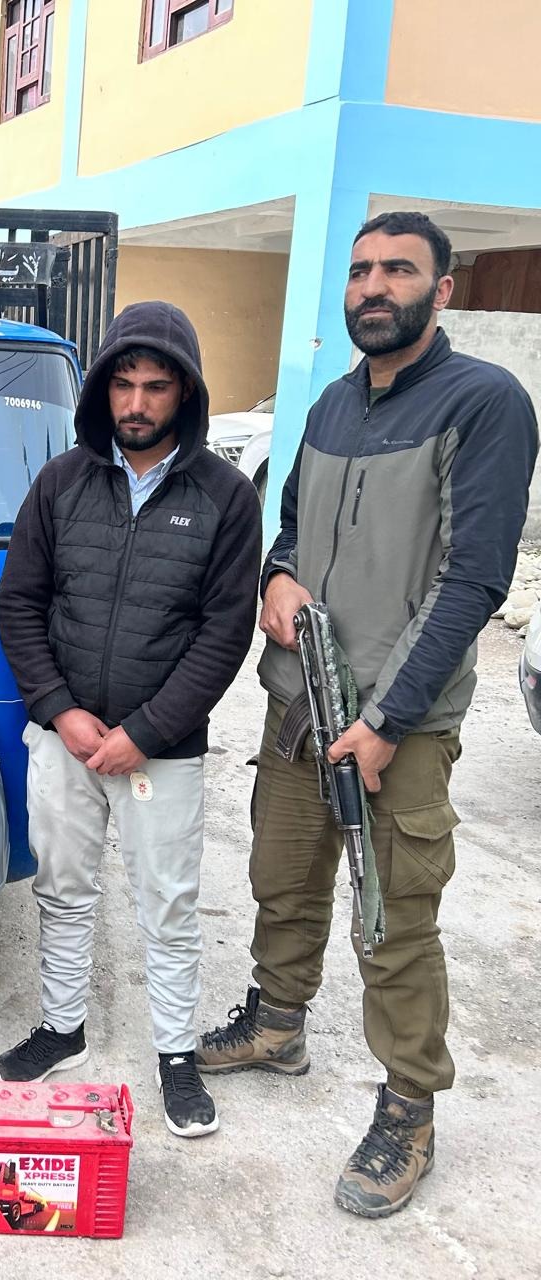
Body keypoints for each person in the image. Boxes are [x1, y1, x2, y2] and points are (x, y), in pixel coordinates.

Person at [196, 211, 538, 1217]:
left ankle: (407, 1108)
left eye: (397, 270)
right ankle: (276, 1022)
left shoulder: (484, 402)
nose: (373, 287)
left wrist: (387, 721)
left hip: (400, 723)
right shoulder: (330, 406)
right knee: (280, 878)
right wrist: (276, 577)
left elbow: (473, 580)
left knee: (391, 919)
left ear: (441, 289)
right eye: (359, 272)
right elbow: (290, 528)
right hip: (297, 699)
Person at [0, 301, 262, 1138]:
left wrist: (145, 731)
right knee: (62, 890)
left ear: (186, 393)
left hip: (162, 750)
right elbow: (19, 605)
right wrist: (60, 710)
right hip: (65, 739)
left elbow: (224, 634)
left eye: (156, 386)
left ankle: (176, 1053)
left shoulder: (224, 496)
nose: (137, 403)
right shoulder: (60, 482)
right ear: (102, 390)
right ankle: (61, 1028)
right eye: (124, 384)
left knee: (167, 903)